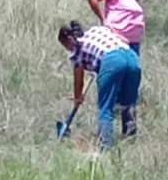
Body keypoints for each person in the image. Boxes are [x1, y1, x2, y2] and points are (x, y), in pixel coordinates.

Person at [58, 21, 141, 150]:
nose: (67, 49)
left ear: (68, 40)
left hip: (112, 60)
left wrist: (77, 97)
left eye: (65, 46)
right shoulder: (97, 30)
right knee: (128, 105)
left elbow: (78, 79)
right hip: (132, 58)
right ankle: (130, 141)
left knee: (105, 108)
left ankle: (105, 147)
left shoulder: (77, 50)